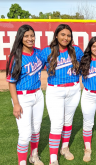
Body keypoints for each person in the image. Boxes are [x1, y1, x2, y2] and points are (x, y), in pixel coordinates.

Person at [39, 24, 83, 165]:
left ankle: (64, 148)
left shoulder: (76, 51)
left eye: (68, 35)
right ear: (56, 35)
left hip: (74, 90)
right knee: (57, 124)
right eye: (63, 34)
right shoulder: (47, 51)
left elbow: (87, 65)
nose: (66, 38)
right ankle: (53, 159)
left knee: (68, 121)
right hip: (55, 91)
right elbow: (34, 67)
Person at [6, 24, 44, 165]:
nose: (30, 38)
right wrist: (16, 104)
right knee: (24, 134)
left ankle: (34, 156)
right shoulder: (15, 57)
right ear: (20, 38)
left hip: (38, 95)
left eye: (32, 35)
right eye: (26, 36)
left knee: (36, 129)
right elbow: (11, 82)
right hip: (22, 97)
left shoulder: (38, 53)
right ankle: (21, 163)